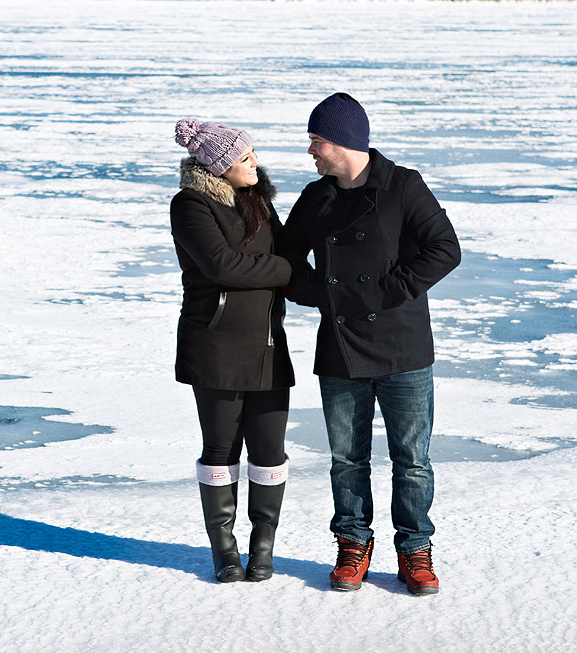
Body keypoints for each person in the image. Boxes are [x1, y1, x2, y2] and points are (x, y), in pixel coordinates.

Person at [280, 92, 460, 596]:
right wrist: (322, 294)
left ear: (343, 140)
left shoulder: (403, 185)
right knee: (346, 459)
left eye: (316, 141)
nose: (311, 152)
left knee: (412, 459)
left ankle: (415, 550)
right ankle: (353, 544)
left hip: (403, 348)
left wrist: (387, 292)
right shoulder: (317, 198)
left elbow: (445, 249)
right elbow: (287, 260)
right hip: (340, 349)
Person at [170, 118, 294, 583]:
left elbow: (282, 256)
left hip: (267, 345)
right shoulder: (190, 204)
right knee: (220, 449)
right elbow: (223, 266)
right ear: (220, 166)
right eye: (245, 157)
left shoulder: (258, 200)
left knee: (270, 450)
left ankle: (263, 547)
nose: (255, 163)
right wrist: (281, 269)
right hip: (216, 347)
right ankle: (224, 550)